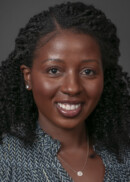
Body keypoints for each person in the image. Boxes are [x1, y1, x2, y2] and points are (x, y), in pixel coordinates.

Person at [0, 1, 129, 182]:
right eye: (54, 71)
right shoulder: (5, 162)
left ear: (104, 77)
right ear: (28, 77)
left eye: (88, 71)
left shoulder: (125, 158)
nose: (72, 87)